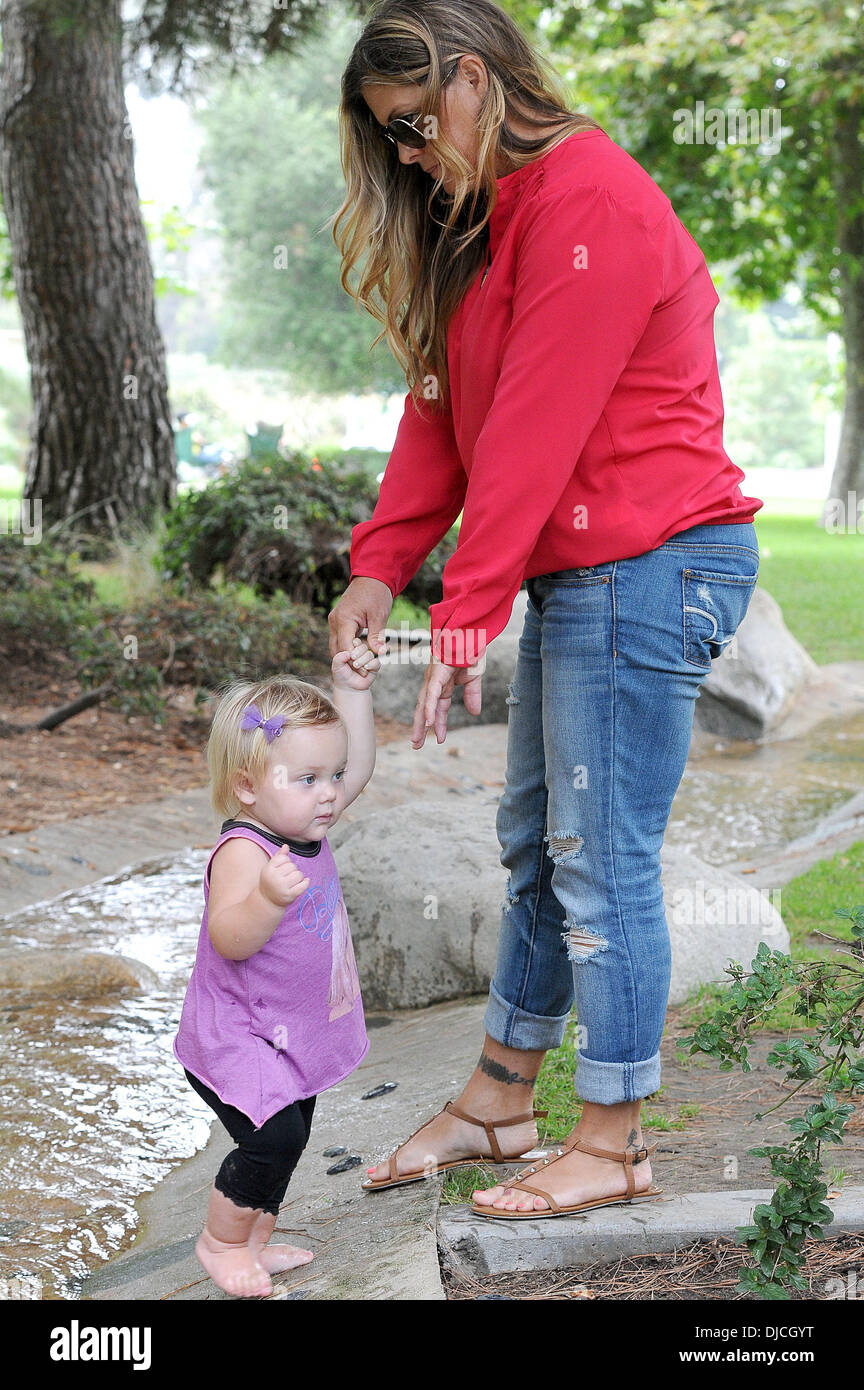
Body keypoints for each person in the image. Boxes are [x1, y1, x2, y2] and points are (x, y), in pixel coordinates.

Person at [328, 0, 763, 1219]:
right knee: (540, 846)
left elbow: (537, 423)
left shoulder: (592, 202)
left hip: (656, 563)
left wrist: (466, 605)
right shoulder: (486, 220)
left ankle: (615, 1136)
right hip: (591, 571)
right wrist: (381, 563)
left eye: (417, 124)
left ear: (475, 78)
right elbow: (444, 414)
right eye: (390, 138)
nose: (408, 155)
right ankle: (499, 1101)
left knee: (597, 856)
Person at [172, 641, 380, 1296]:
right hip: (238, 1036)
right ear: (247, 787)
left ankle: (255, 1240)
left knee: (296, 1133)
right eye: (310, 779)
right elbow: (230, 937)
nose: (331, 794)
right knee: (273, 1140)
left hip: (290, 1031)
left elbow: (360, 766)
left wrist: (354, 690)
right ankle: (221, 1242)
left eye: (333, 776)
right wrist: (266, 898)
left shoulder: (306, 822)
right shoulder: (244, 849)